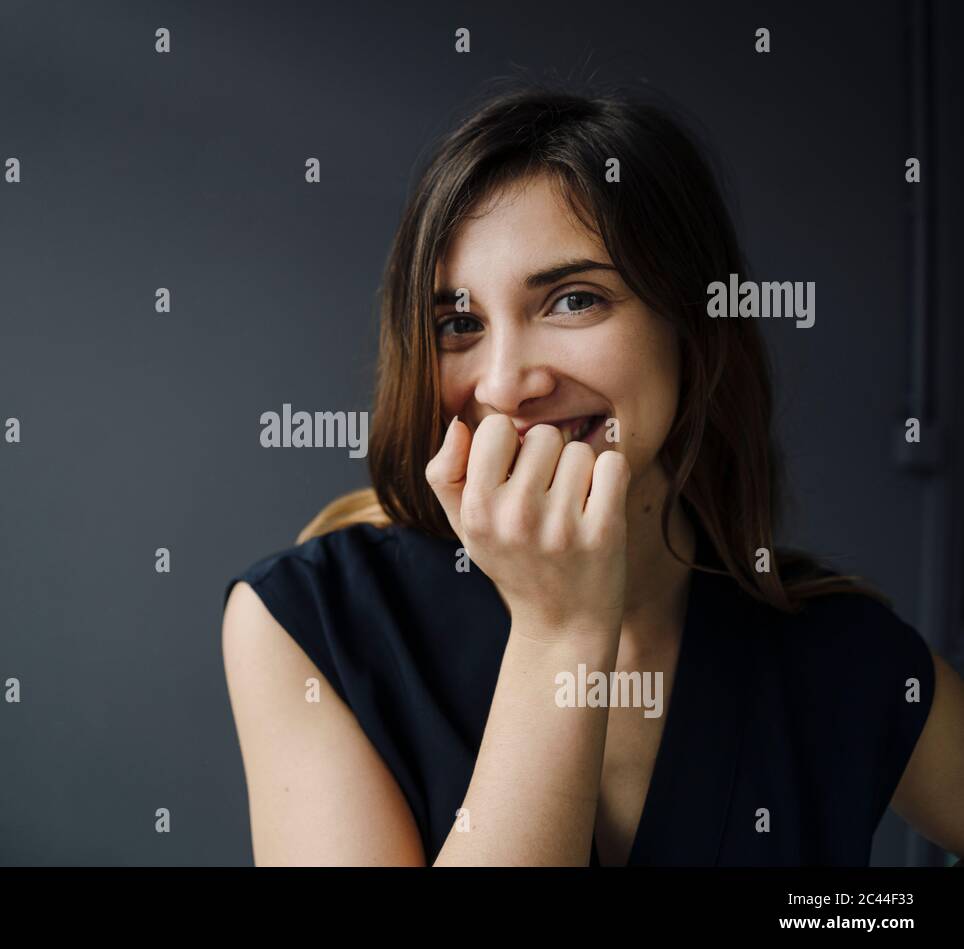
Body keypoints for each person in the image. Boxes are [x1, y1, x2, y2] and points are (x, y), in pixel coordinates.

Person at [220, 86, 964, 866]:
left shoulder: (843, 659)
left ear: (693, 326)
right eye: (460, 324)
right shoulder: (308, 624)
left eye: (574, 300)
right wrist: (559, 630)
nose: (505, 384)